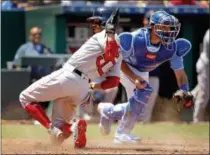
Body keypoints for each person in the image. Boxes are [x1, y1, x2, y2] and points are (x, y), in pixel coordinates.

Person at [19, 8, 121, 148]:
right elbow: (113, 81)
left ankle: (52, 130)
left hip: (69, 75)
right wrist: (91, 87)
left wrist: (110, 31)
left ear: (107, 22)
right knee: (61, 126)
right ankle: (74, 129)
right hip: (83, 88)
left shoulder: (105, 36)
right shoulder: (117, 49)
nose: (93, 25)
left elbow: (109, 53)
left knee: (24, 97)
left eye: (96, 21)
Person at [97, 10, 194, 144]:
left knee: (139, 112)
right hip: (124, 66)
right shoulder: (135, 39)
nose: (169, 31)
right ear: (153, 27)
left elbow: (180, 73)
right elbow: (117, 60)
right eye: (165, 27)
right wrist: (135, 78)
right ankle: (121, 134)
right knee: (144, 91)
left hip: (142, 71)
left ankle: (108, 111)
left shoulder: (172, 47)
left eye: (171, 28)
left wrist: (184, 89)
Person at [192, 29, 209, 123]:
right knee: (204, 93)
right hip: (205, 66)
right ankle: (197, 120)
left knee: (202, 89)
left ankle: (186, 98)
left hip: (206, 66)